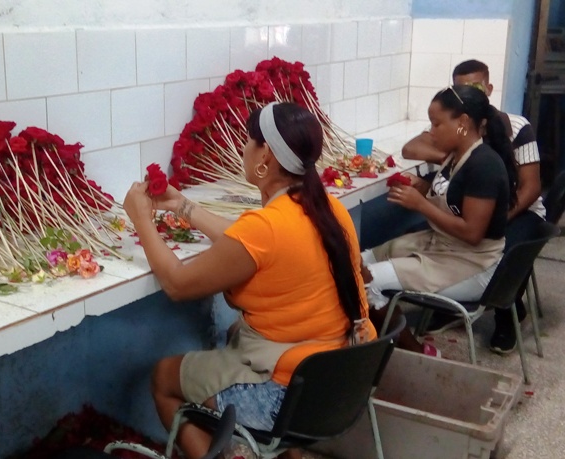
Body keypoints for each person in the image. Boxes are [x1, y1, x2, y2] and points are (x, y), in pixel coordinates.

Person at [122, 102, 375, 459]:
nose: (242, 149)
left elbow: (177, 283)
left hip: (286, 397)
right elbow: (244, 243)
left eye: (247, 141)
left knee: (164, 378)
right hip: (337, 383)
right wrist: (183, 206)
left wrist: (141, 219)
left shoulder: (267, 227)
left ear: (265, 155)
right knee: (236, 333)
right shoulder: (327, 208)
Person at [363, 84, 518, 357]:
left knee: (366, 282)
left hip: (474, 263)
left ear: (463, 123)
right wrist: (422, 187)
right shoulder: (455, 157)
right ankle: (372, 341)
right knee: (358, 263)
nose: (431, 131)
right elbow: (450, 193)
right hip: (443, 247)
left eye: (437, 124)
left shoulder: (484, 166)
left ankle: (416, 352)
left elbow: (472, 233)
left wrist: (420, 205)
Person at [402, 59, 546, 353]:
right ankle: (447, 303)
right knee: (430, 234)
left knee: (502, 252)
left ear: (489, 88)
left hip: (521, 210)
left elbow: (531, 188)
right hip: (473, 209)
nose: (469, 93)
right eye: (461, 88)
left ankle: (508, 312)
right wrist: (446, 152)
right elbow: (410, 148)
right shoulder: (456, 127)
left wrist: (497, 219)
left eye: (476, 87)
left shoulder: (516, 126)